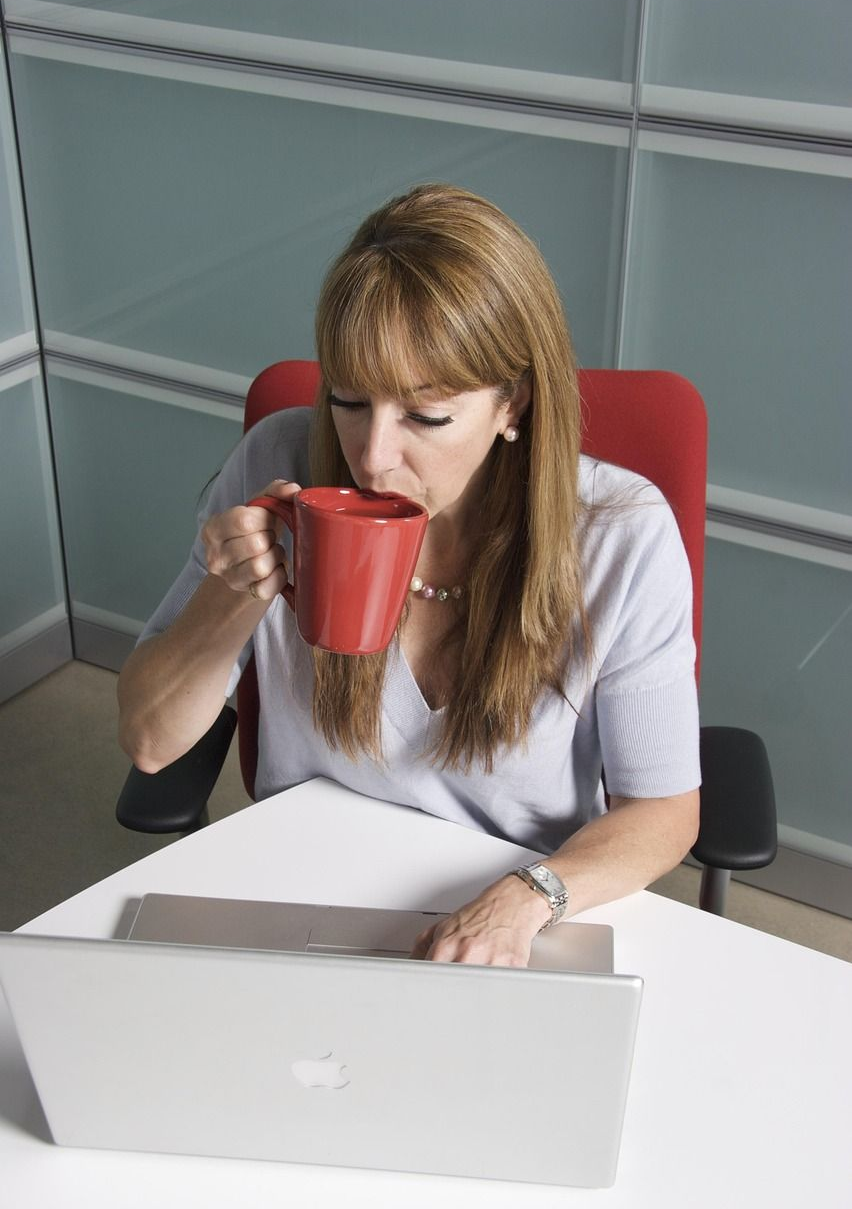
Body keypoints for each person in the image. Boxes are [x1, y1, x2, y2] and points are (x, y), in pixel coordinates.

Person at [118, 183, 700, 967]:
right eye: (349, 400)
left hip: (515, 914)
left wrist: (531, 897)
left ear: (513, 404)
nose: (371, 454)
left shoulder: (622, 537)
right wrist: (232, 597)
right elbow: (150, 741)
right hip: (307, 895)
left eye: (426, 416)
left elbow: (663, 809)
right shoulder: (276, 462)